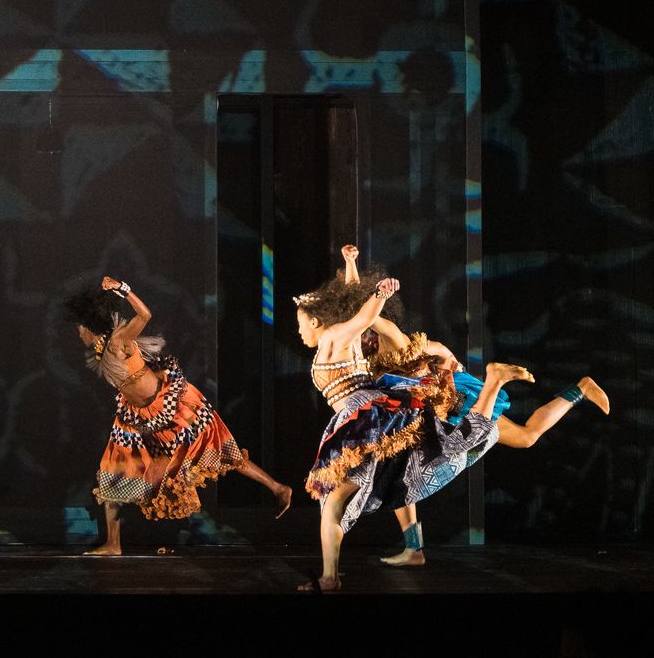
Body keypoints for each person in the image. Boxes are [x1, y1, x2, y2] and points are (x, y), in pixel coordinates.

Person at [320, 244, 611, 567]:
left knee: (517, 438)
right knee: (406, 468)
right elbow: (361, 312)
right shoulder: (364, 347)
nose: (353, 330)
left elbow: (364, 308)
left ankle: (527, 383)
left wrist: (352, 265)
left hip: (448, 404)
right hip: (428, 409)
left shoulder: (385, 332)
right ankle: (414, 548)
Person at [294, 264, 524, 592]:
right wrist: (352, 267)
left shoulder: (334, 338)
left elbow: (363, 316)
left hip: (364, 419)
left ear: (316, 321)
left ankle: (331, 577)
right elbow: (357, 308)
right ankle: (407, 549)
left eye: (300, 324)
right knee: (393, 477)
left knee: (333, 501)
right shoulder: (348, 340)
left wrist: (379, 294)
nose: (299, 332)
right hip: (378, 416)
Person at [64, 275, 291, 555]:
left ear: (89, 327)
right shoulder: (101, 351)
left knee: (219, 451)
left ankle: (278, 488)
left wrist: (123, 289)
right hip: (136, 418)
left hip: (175, 406)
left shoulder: (119, 340)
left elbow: (144, 315)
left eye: (80, 329)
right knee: (113, 471)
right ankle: (113, 544)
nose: (78, 335)